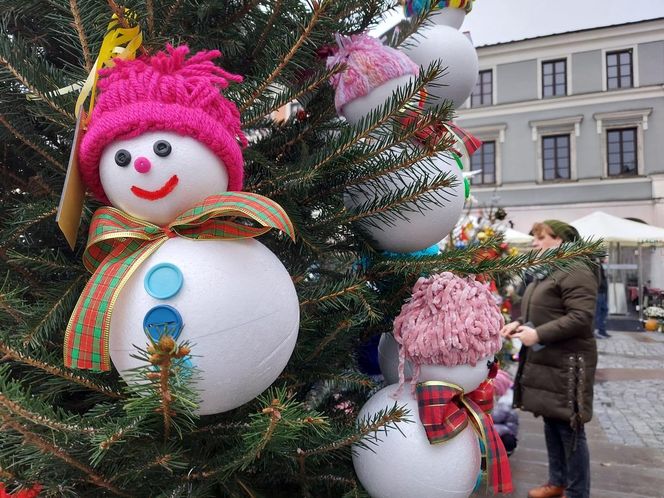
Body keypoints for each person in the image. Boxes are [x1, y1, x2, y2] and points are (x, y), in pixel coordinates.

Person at [500, 220, 598, 498]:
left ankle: (577, 492)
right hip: (549, 360)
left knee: (569, 428)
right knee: (552, 421)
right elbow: (542, 310)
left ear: (560, 240)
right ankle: (557, 482)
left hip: (569, 363)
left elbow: (581, 317)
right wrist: (517, 324)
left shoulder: (575, 270)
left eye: (540, 238)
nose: (534, 243)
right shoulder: (548, 271)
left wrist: (539, 334)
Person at [492, 369, 519, 456]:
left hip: (502, 433)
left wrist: (494, 430)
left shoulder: (507, 404)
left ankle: (505, 452)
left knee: (508, 440)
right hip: (490, 431)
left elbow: (512, 427)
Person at [594, 258, 610, 338]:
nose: (607, 259)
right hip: (598, 292)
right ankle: (594, 332)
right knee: (597, 313)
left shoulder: (600, 266)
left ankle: (602, 330)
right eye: (605, 257)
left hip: (602, 292)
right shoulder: (597, 265)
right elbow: (598, 279)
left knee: (604, 310)